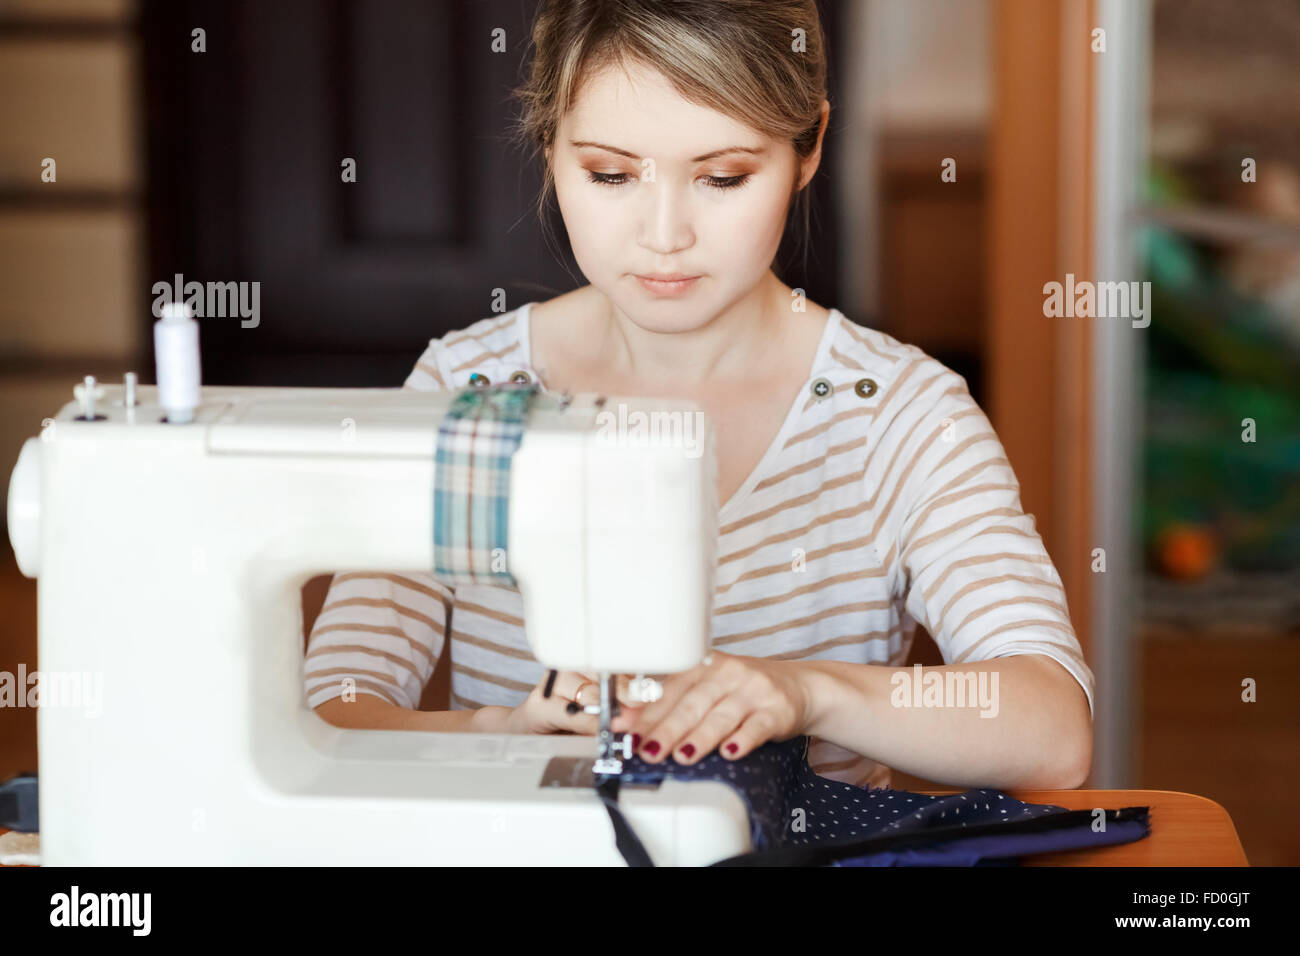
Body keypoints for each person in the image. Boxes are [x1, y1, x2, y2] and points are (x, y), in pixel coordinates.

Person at [306, 0, 1093, 791]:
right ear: (549, 144)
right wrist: (502, 732)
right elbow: (329, 718)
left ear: (810, 145)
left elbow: (1051, 727)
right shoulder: (466, 392)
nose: (664, 234)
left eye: (722, 178)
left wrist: (806, 691)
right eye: (611, 175)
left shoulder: (896, 412)